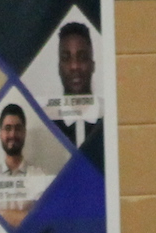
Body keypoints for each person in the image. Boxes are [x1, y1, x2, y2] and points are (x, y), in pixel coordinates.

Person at [54, 22, 103, 169]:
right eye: (66, 58)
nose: (74, 66)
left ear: (93, 65)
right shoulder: (48, 123)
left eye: (82, 57)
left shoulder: (109, 119)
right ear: (59, 68)